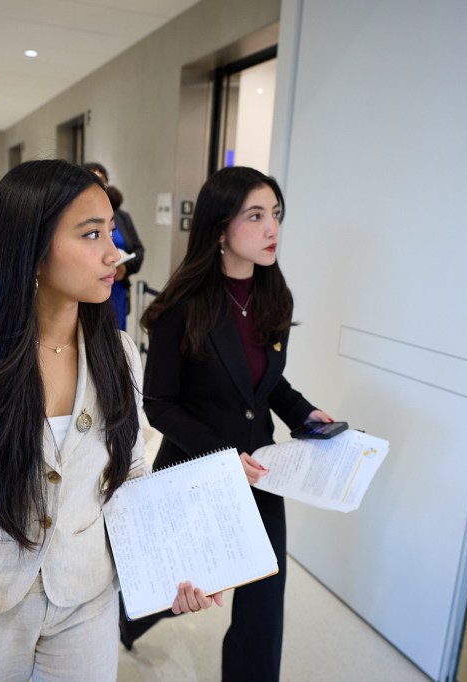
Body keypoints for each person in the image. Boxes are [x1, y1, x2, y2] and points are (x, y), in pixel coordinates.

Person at [0, 160, 218, 680]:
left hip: (86, 598)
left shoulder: (120, 352)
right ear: (32, 250)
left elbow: (127, 480)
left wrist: (165, 570)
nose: (114, 252)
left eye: (111, 231)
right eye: (91, 234)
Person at [121, 166, 333, 681]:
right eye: (255, 216)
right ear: (220, 229)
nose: (272, 229)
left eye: (276, 216)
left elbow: (266, 386)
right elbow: (160, 405)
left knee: (263, 608)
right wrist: (220, 454)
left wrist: (306, 415)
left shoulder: (272, 297)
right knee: (170, 586)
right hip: (195, 470)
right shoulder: (180, 308)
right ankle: (124, 621)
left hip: (261, 472)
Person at [82, 163, 144, 330]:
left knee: (115, 338)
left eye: (103, 182)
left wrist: (125, 269)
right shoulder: (78, 217)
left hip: (116, 287)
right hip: (88, 287)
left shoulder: (121, 216)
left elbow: (138, 250)